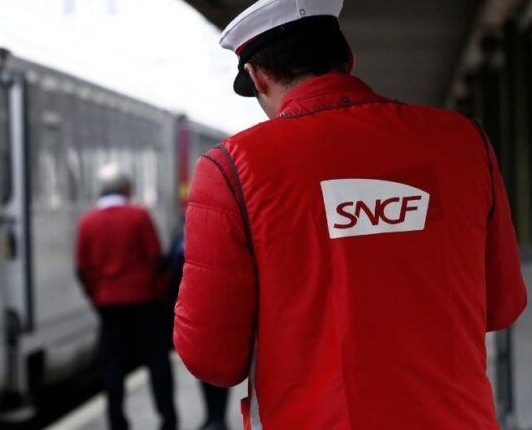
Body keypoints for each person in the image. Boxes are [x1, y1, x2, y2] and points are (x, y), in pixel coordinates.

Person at [173, 0, 528, 429]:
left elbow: (212, 359)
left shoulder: (231, 170)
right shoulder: (465, 143)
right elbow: (503, 306)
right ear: (348, 59)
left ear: (257, 77)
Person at [76, 164, 177, 430]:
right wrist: (160, 294)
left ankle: (117, 422)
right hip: (143, 300)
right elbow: (157, 259)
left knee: (112, 366)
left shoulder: (88, 221)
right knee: (157, 361)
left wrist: (96, 296)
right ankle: (167, 418)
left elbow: (82, 268)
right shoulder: (138, 216)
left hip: (108, 304)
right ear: (125, 188)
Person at [166, 222, 230, 430]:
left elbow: (173, 270)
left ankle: (214, 417)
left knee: (208, 366)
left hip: (198, 309)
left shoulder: (182, 238)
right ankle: (216, 417)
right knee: (217, 365)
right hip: (216, 307)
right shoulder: (221, 234)